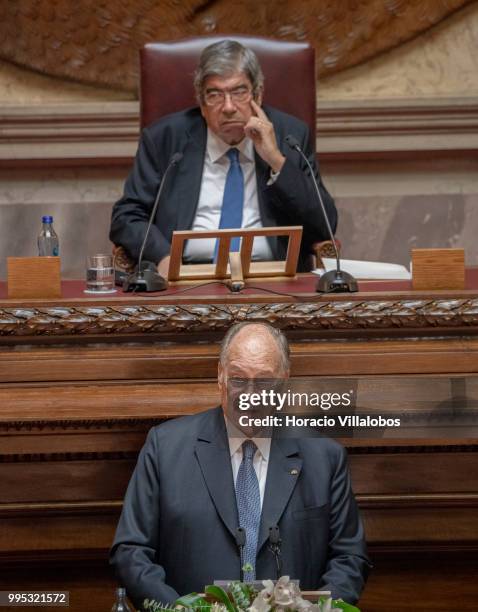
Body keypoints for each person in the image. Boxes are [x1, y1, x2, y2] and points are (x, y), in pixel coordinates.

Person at [110, 322, 371, 609]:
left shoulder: (324, 457)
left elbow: (350, 559)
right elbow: (131, 551)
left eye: (263, 380)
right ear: (220, 376)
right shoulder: (165, 448)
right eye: (238, 379)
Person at [110, 40, 337, 277]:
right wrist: (162, 256)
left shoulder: (290, 136)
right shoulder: (165, 139)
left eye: (239, 92)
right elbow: (126, 216)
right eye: (215, 95)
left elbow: (325, 225)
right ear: (201, 103)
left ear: (258, 95)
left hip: (273, 275)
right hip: (184, 276)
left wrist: (276, 161)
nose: (228, 107)